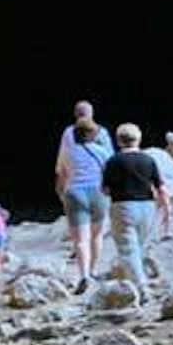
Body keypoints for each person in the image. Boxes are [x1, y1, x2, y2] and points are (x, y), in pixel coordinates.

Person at [100, 123, 171, 303]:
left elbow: (105, 190)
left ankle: (141, 287)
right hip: (147, 207)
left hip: (123, 206)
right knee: (138, 247)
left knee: (128, 249)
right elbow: (161, 188)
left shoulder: (113, 162)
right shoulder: (148, 160)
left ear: (118, 141)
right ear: (138, 139)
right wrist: (167, 210)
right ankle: (134, 282)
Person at [56, 115, 111, 293]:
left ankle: (84, 275)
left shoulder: (67, 153)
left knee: (80, 240)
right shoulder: (101, 151)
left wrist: (63, 194)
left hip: (75, 193)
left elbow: (62, 175)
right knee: (97, 236)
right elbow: (108, 172)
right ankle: (94, 270)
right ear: (92, 134)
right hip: (97, 192)